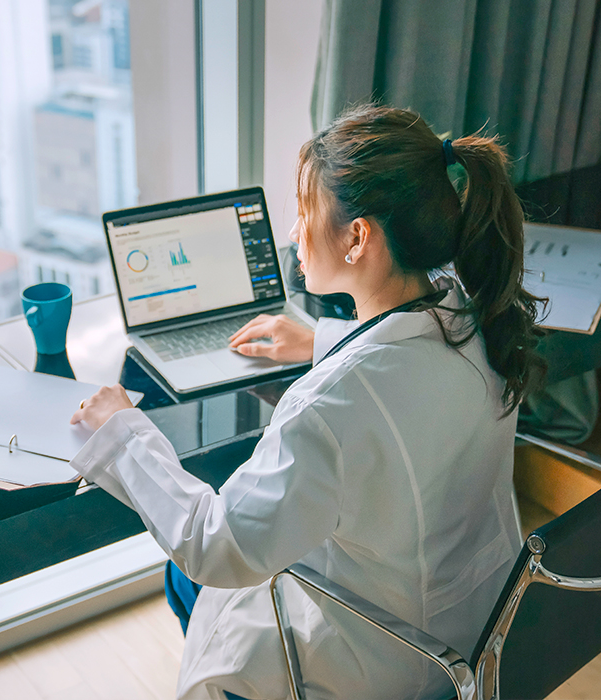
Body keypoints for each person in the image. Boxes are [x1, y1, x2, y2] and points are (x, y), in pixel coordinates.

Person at [69, 105, 544, 700]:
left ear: (358, 237)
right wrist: (320, 337)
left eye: (305, 212)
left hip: (385, 663)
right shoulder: (479, 324)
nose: (295, 231)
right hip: (477, 633)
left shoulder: (328, 405)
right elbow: (402, 365)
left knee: (185, 577)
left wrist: (123, 434)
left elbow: (217, 549)